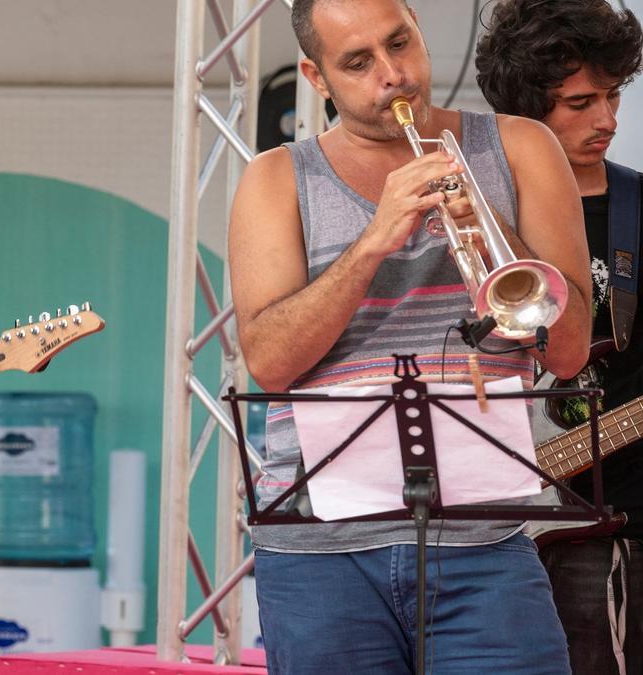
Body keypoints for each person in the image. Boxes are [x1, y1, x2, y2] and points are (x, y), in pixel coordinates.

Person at [228, 0, 592, 672]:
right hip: (320, 554)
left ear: (421, 31)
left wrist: (487, 221)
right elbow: (270, 361)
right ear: (316, 75)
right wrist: (373, 240)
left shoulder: (519, 147)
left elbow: (567, 351)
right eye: (358, 62)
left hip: (486, 542)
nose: (392, 75)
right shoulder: (277, 178)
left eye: (400, 44)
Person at [477, 2, 643, 673]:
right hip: (487, 527)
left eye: (612, 96)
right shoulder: (473, 208)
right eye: (580, 102)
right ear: (526, 110)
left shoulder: (634, 208)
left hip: (618, 522)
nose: (606, 120)